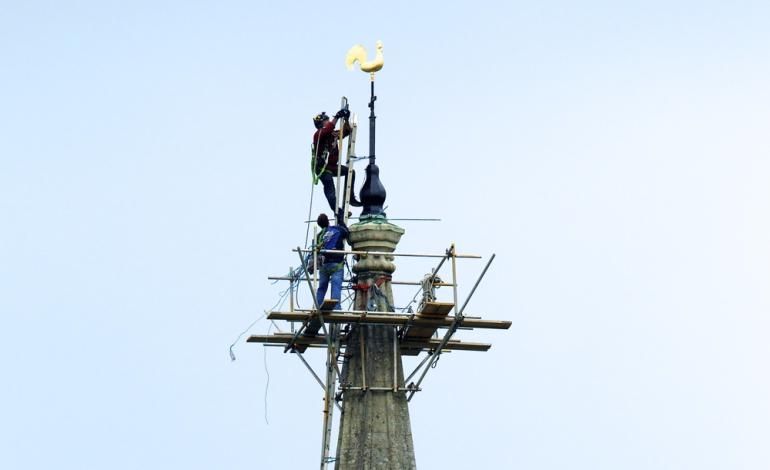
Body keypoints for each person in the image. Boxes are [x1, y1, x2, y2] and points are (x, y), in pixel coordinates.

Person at [312, 109, 362, 218]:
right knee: (330, 189)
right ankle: (337, 211)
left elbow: (346, 131)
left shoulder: (332, 134)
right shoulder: (319, 134)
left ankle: (350, 198)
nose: (329, 122)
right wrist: (337, 117)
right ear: (321, 123)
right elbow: (328, 128)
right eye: (327, 121)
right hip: (323, 169)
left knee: (350, 172)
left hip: (332, 166)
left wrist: (346, 119)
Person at [313, 213, 348, 311]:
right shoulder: (337, 229)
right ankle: (336, 307)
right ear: (328, 221)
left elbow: (314, 251)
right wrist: (341, 220)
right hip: (336, 264)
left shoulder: (319, 236)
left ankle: (317, 306)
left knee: (322, 288)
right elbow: (346, 232)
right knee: (336, 285)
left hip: (324, 265)